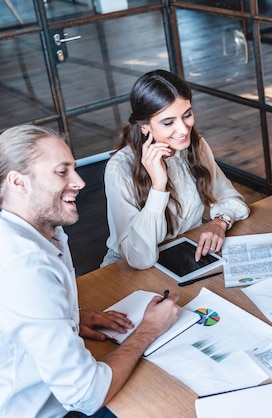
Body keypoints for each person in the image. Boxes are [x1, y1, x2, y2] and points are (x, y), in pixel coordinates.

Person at [0, 125, 180, 417]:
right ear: (19, 183)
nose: (80, 181)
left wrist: (66, 317)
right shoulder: (26, 267)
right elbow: (86, 395)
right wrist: (148, 330)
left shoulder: (37, 232)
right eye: (62, 171)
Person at [102, 69, 249, 269]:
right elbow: (139, 258)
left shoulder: (195, 146)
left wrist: (219, 223)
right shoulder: (119, 169)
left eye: (187, 115)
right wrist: (158, 186)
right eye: (168, 122)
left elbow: (230, 198)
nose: (183, 129)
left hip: (185, 249)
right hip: (127, 266)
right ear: (144, 126)